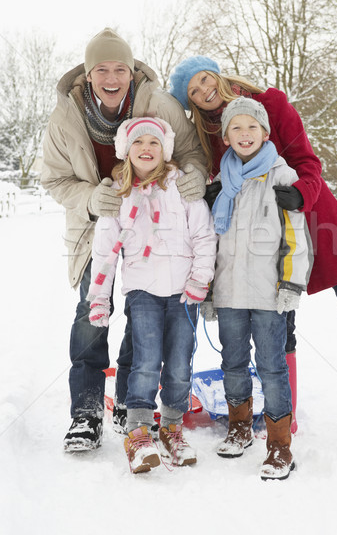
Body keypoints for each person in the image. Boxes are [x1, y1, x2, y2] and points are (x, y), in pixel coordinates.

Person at [168, 55, 337, 425]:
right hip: (262, 233)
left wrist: (302, 192)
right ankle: (286, 416)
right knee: (281, 314)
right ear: (191, 102)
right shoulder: (207, 134)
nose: (203, 91)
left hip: (310, 212)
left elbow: (307, 161)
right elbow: (225, 180)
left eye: (203, 79)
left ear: (217, 74)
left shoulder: (271, 103)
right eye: (192, 91)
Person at [41, 29, 209, 452]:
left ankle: (129, 407)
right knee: (91, 311)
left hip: (156, 227)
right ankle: (86, 412)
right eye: (102, 69)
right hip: (95, 221)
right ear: (89, 73)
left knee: (144, 314)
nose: (112, 77)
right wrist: (90, 198)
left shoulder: (158, 105)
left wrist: (191, 178)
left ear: (131, 71)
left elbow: (191, 151)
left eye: (120, 68)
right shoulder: (66, 118)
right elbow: (55, 179)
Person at [87, 116, 217, 473]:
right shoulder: (118, 194)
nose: (146, 149)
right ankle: (139, 431)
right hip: (143, 291)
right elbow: (105, 252)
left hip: (184, 293)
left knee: (178, 364)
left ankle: (172, 428)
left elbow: (205, 238)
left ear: (165, 150)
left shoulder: (183, 190)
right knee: (145, 362)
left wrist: (200, 280)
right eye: (139, 143)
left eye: (154, 143)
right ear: (126, 151)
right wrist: (99, 298)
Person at [211, 97, 312, 480]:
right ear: (226, 137)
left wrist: (290, 284)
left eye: (252, 126)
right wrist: (207, 290)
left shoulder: (282, 177)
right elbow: (209, 242)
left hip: (270, 294)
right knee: (232, 362)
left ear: (265, 132)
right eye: (235, 128)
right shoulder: (221, 183)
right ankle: (239, 426)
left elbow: (295, 238)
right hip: (229, 291)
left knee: (272, 368)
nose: (244, 134)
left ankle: (279, 444)